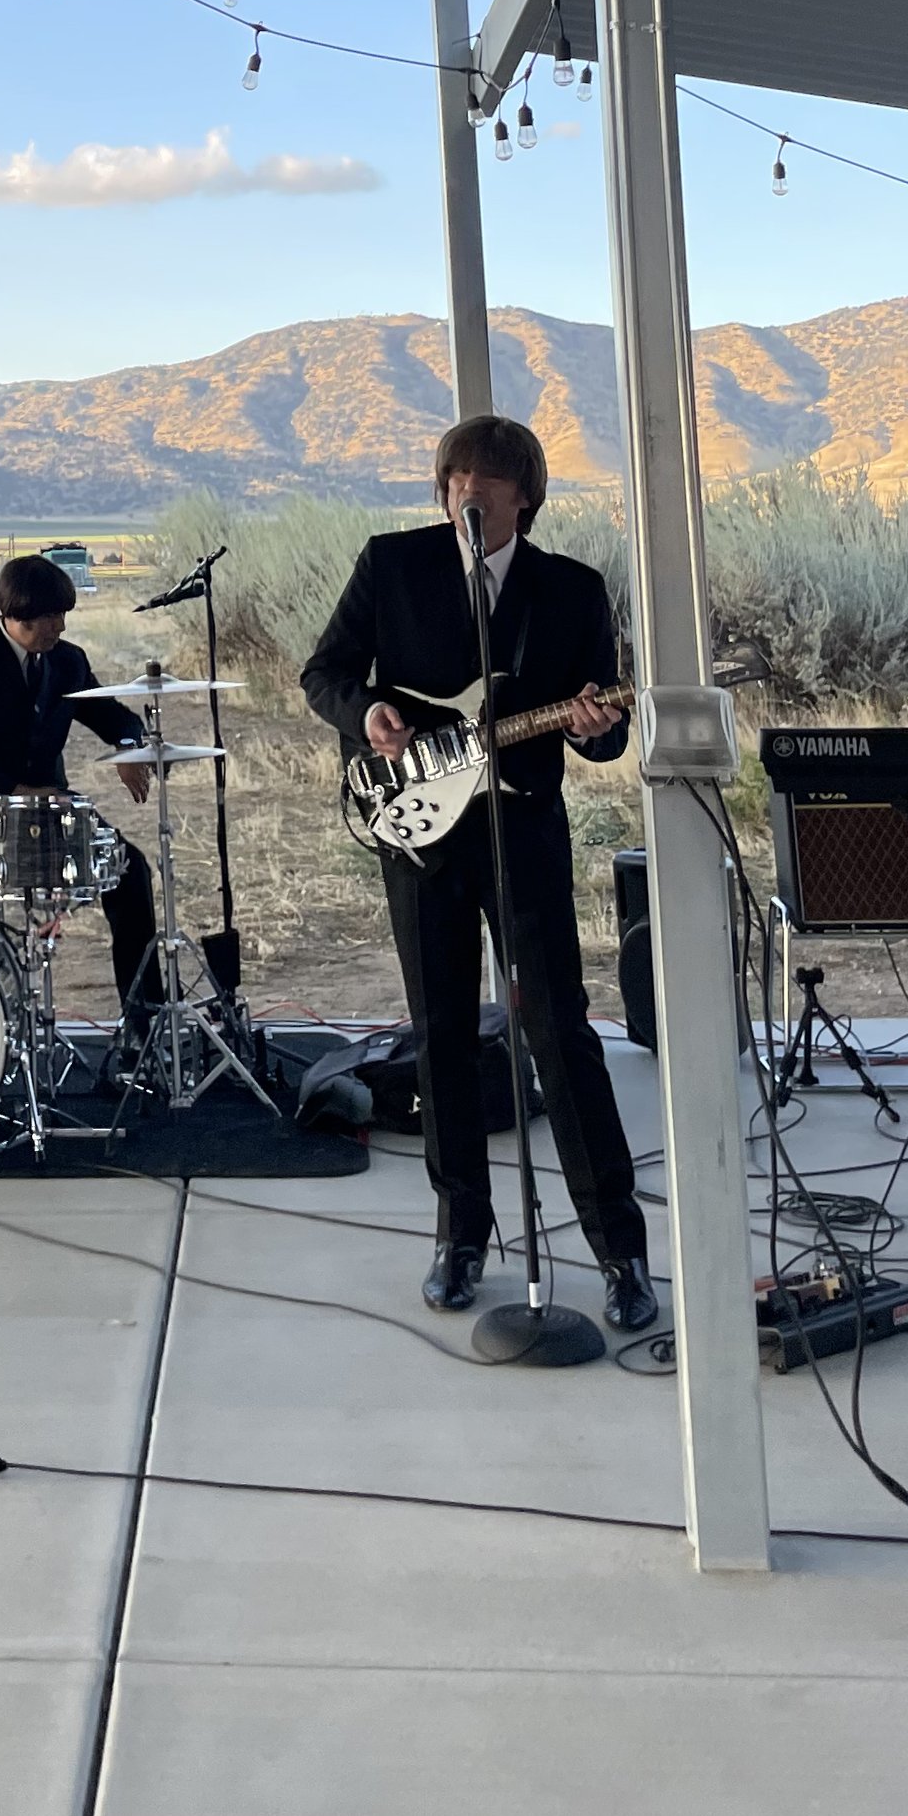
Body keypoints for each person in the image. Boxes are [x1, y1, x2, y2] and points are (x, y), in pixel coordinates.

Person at [300, 415, 658, 1333]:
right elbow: (324, 672)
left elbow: (610, 722)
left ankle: (619, 1251)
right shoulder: (393, 563)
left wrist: (593, 725)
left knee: (560, 1031)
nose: (469, 490)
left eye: (489, 481)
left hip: (522, 830)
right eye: (457, 476)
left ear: (524, 498)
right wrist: (370, 710)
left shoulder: (570, 589)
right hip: (419, 834)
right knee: (442, 1035)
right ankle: (460, 1236)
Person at [0, 554, 158, 1022]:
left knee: (131, 875)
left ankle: (143, 1024)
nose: (60, 626)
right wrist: (17, 789)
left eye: (63, 616)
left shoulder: (69, 663)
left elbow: (115, 716)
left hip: (52, 818)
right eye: (51, 616)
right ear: (14, 613)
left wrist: (129, 747)